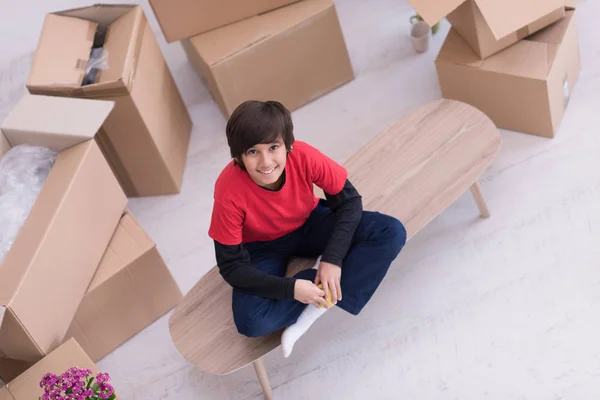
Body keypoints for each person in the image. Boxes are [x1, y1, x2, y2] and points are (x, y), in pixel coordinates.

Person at [208, 100, 407, 358]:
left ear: (288, 145)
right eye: (252, 152)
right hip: (261, 248)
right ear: (238, 157)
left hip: (309, 222)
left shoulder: (303, 155)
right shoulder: (228, 190)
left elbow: (349, 201)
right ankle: (315, 289)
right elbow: (231, 267)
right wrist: (291, 289)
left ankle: (317, 301)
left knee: (391, 232)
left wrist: (333, 259)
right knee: (251, 323)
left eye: (273, 147)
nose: (265, 161)